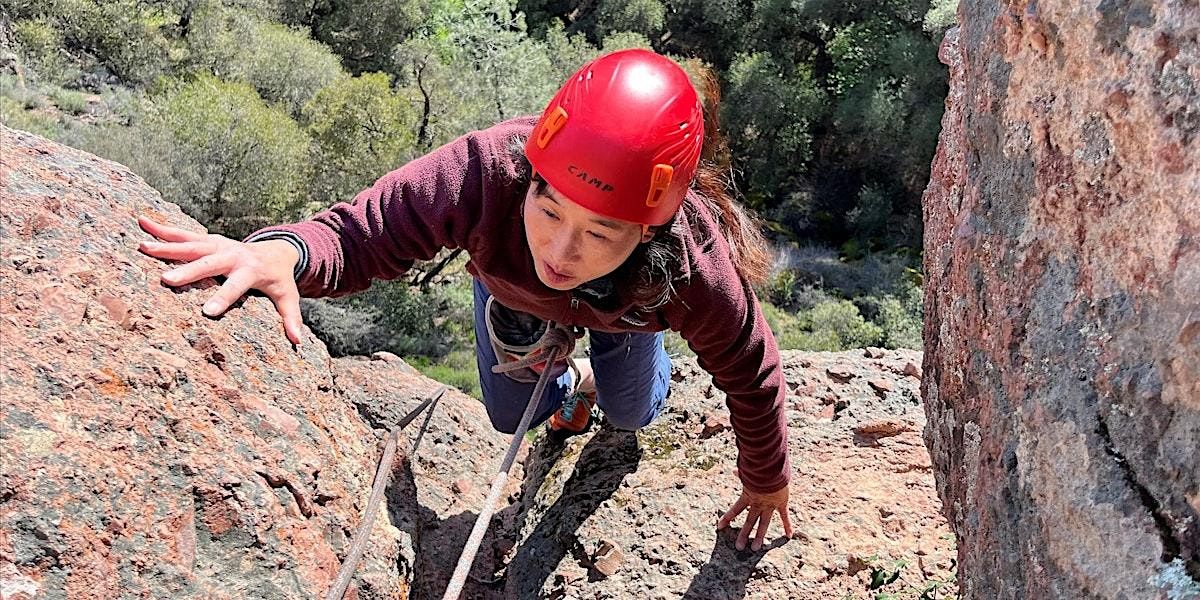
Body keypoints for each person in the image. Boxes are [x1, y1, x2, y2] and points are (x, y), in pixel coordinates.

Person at [137, 48, 793, 552]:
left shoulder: (688, 262)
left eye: (601, 231)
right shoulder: (486, 172)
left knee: (630, 415)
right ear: (531, 173)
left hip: (630, 305)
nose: (562, 251)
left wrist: (764, 475)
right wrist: (282, 253)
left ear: (650, 227)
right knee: (514, 419)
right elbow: (365, 231)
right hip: (513, 292)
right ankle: (545, 340)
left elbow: (750, 370)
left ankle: (619, 350)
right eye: (548, 206)